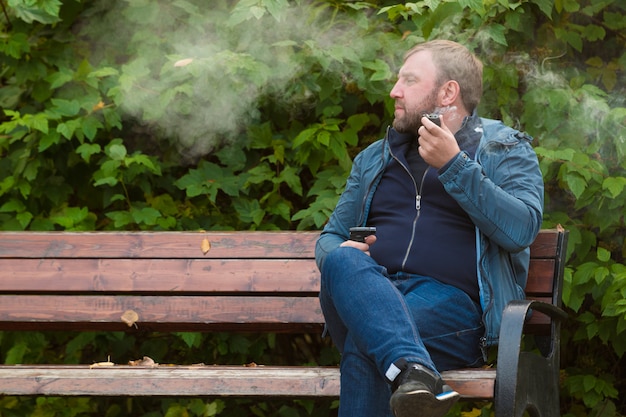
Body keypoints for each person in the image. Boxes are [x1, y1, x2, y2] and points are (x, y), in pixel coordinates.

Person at [315, 40, 544, 417]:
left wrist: (453, 164)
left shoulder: (503, 149)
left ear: (447, 92)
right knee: (339, 261)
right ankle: (414, 371)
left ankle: (408, 371)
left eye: (408, 80)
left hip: (453, 311)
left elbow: (521, 229)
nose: (394, 90)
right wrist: (340, 253)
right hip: (372, 294)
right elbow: (330, 238)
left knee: (367, 344)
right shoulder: (376, 158)